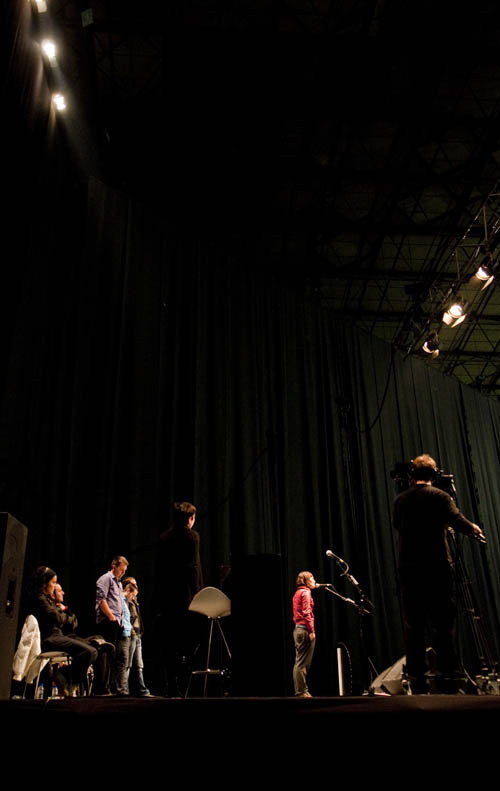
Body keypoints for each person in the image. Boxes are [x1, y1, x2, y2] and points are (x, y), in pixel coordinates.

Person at [393, 454, 485, 693]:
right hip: (437, 570)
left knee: (413, 628)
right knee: (443, 626)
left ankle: (418, 681)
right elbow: (457, 520)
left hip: (410, 572)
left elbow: (397, 525)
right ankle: (448, 679)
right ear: (433, 475)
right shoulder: (441, 497)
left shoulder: (400, 500)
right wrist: (473, 529)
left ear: (412, 475)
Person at [158, 501, 203, 695]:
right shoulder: (192, 537)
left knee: (171, 643)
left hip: (168, 597)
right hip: (186, 597)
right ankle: (185, 684)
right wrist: (198, 593)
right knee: (188, 641)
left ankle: (171, 685)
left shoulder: (165, 537)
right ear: (190, 519)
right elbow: (193, 568)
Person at [30, 566, 98, 691]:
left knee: (95, 647)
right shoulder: (39, 599)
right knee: (90, 652)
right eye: (53, 582)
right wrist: (63, 616)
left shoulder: (48, 600)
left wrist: (62, 615)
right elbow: (58, 618)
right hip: (49, 639)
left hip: (58, 636)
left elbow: (65, 619)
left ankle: (67, 678)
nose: (54, 586)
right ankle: (64, 676)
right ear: (45, 583)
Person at [52, 582, 114, 696]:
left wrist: (65, 610)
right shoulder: (52, 609)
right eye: (60, 591)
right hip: (64, 639)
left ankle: (102, 688)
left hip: (72, 637)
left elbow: (75, 623)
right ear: (52, 594)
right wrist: (67, 616)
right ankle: (66, 673)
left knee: (101, 643)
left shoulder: (63, 608)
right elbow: (68, 623)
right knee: (96, 647)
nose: (63, 593)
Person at [122, 576, 152, 697]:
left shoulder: (134, 601)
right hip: (131, 634)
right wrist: (132, 632)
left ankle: (142, 689)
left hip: (137, 635)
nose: (136, 587)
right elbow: (127, 618)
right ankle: (124, 689)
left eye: (136, 585)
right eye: (133, 585)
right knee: (128, 664)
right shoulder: (126, 601)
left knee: (139, 664)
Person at [292, 571, 317, 697]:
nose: (314, 581)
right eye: (312, 579)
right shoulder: (306, 593)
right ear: (306, 581)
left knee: (300, 662)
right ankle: (301, 692)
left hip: (298, 629)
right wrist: (311, 630)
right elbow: (306, 612)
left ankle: (301, 691)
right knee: (302, 663)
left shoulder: (298, 593)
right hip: (304, 629)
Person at [95, 555, 129, 647]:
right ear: (114, 566)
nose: (123, 573)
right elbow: (101, 600)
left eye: (125, 570)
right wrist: (111, 617)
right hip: (109, 621)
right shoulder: (106, 578)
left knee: (113, 652)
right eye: (121, 570)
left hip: (118, 622)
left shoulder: (119, 583)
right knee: (107, 651)